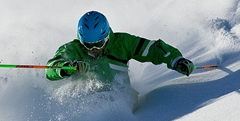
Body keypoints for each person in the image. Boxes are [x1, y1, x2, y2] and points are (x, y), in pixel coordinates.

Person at [46, 11, 195, 85]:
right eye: (88, 44)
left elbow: (154, 49)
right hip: (86, 104)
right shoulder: (72, 49)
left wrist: (176, 59)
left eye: (98, 43)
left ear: (107, 37)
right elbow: (51, 68)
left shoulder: (122, 42)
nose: (94, 49)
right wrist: (67, 67)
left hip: (122, 103)